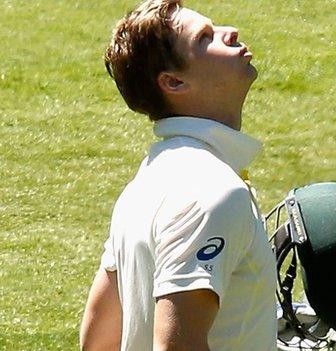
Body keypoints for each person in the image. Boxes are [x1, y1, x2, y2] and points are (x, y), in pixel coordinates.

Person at [79, 1, 276, 351]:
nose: (229, 33)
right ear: (173, 82)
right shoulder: (213, 191)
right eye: (204, 38)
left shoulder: (143, 186)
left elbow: (98, 340)